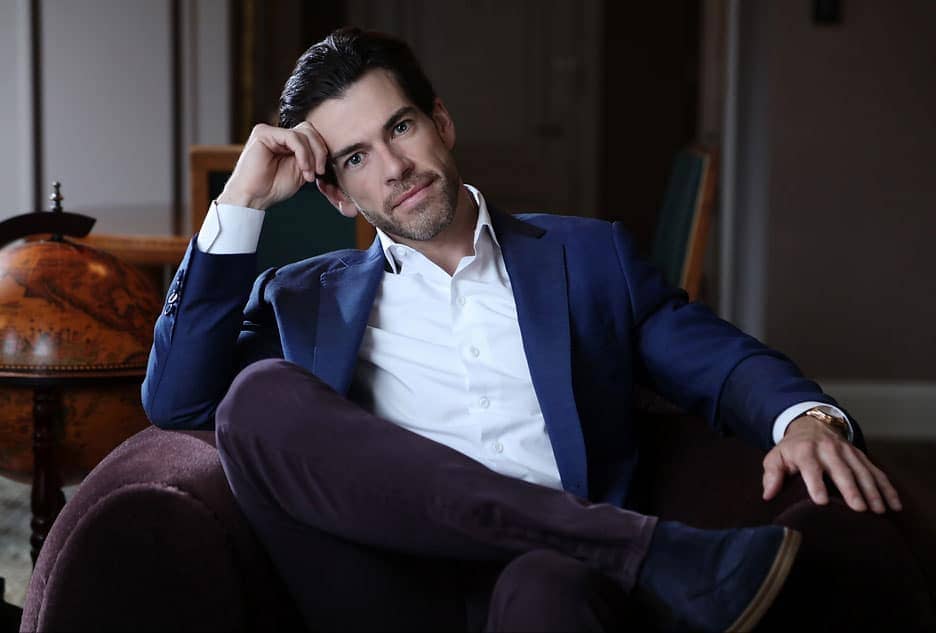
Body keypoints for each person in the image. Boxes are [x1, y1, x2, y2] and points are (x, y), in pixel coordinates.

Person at [142, 27, 902, 632]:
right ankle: (649, 553)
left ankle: (601, 549)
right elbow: (177, 400)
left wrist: (806, 419)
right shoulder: (302, 298)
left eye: (401, 126)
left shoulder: (588, 258)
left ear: (441, 122)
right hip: (386, 590)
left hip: (552, 587)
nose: (395, 167)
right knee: (258, 396)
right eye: (357, 157)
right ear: (339, 195)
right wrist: (239, 200)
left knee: (548, 583)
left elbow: (719, 361)